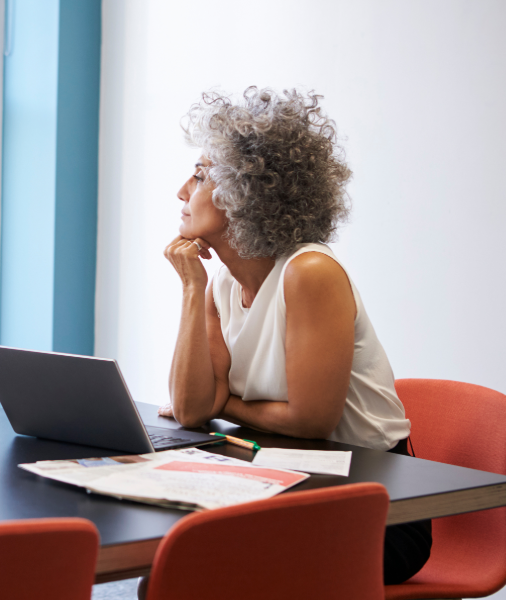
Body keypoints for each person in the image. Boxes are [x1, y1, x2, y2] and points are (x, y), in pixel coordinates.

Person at [159, 88, 432, 585]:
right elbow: (192, 408)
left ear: (248, 191)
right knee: (173, 570)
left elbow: (310, 421)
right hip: (285, 479)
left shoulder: (310, 273)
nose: (182, 190)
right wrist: (191, 288)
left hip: (376, 503)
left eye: (200, 174)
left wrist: (228, 404)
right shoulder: (220, 282)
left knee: (197, 572)